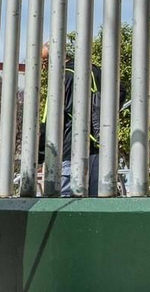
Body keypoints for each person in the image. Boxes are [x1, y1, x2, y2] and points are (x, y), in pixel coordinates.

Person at [38, 42, 103, 196]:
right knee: (95, 204)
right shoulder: (93, 70)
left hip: (69, 152)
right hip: (98, 151)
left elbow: (49, 121)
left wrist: (40, 156)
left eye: (45, 62)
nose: (44, 68)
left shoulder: (61, 78)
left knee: (67, 203)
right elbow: (120, 90)